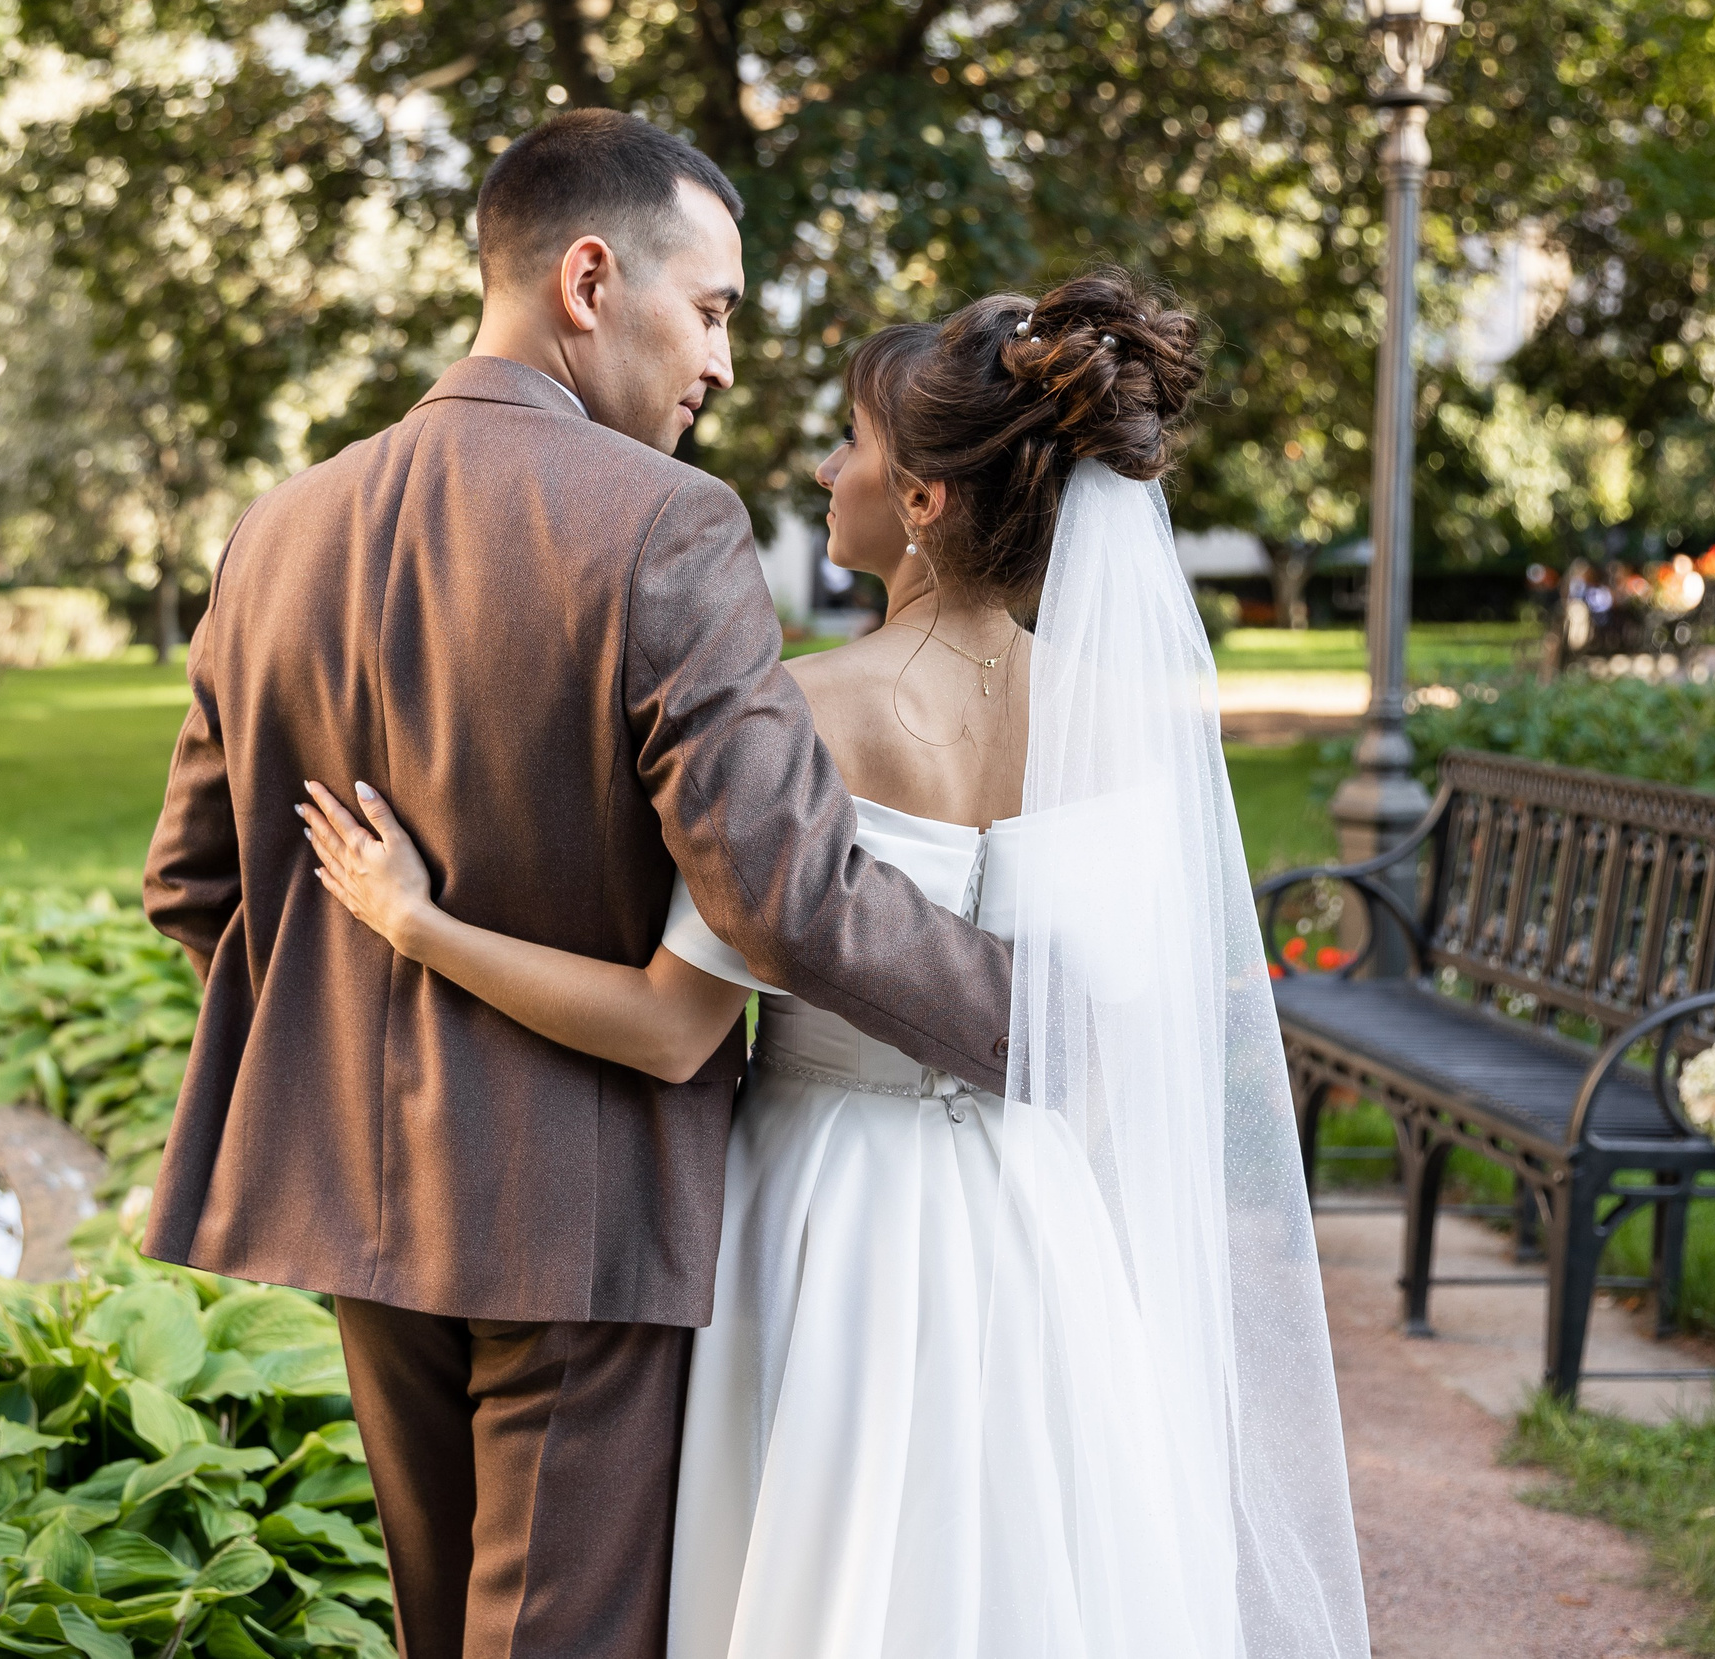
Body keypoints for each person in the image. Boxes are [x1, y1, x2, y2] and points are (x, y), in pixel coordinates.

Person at [304, 274, 1370, 1655]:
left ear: (923, 498)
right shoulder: (1127, 725)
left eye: (851, 442)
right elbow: (1116, 1042)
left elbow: (665, 1028)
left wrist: (418, 924)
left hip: (823, 1219)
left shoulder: (798, 709)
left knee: (821, 1571)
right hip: (1042, 1224)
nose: (824, 466)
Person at [140, 111, 1016, 1659]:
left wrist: (367, 1044)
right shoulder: (664, 526)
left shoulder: (272, 533)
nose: (725, 365)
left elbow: (198, 888)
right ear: (592, 280)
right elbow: (786, 898)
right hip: (584, 1214)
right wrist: (1039, 1021)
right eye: (715, 310)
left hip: (358, 1201)